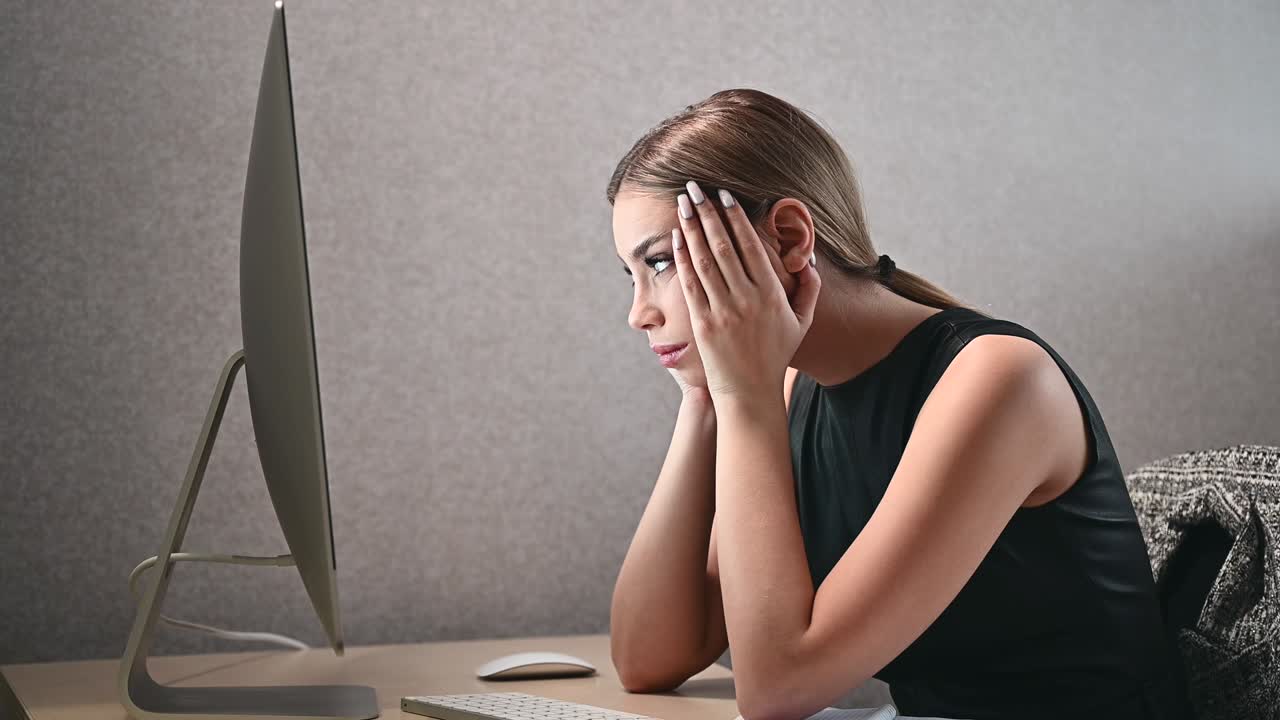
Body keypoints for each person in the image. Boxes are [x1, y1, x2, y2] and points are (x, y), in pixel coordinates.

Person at [606, 89, 1193, 720]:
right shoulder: (788, 389)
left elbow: (778, 689)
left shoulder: (996, 380)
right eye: (632, 276)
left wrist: (741, 398)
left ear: (787, 237)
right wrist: (703, 402)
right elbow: (648, 657)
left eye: (662, 263)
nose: (639, 313)